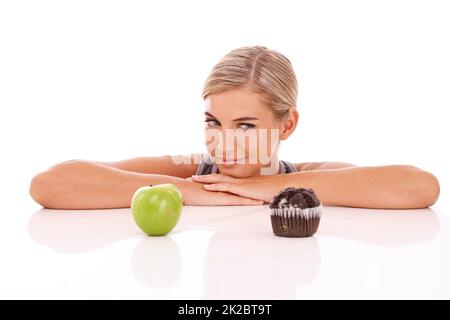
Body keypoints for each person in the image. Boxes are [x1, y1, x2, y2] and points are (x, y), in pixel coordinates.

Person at [29, 46, 440, 209]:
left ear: (287, 125)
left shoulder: (308, 173)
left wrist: (271, 188)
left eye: (245, 126)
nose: (222, 143)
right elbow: (49, 183)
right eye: (213, 122)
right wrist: (188, 190)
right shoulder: (189, 168)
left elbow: (420, 187)